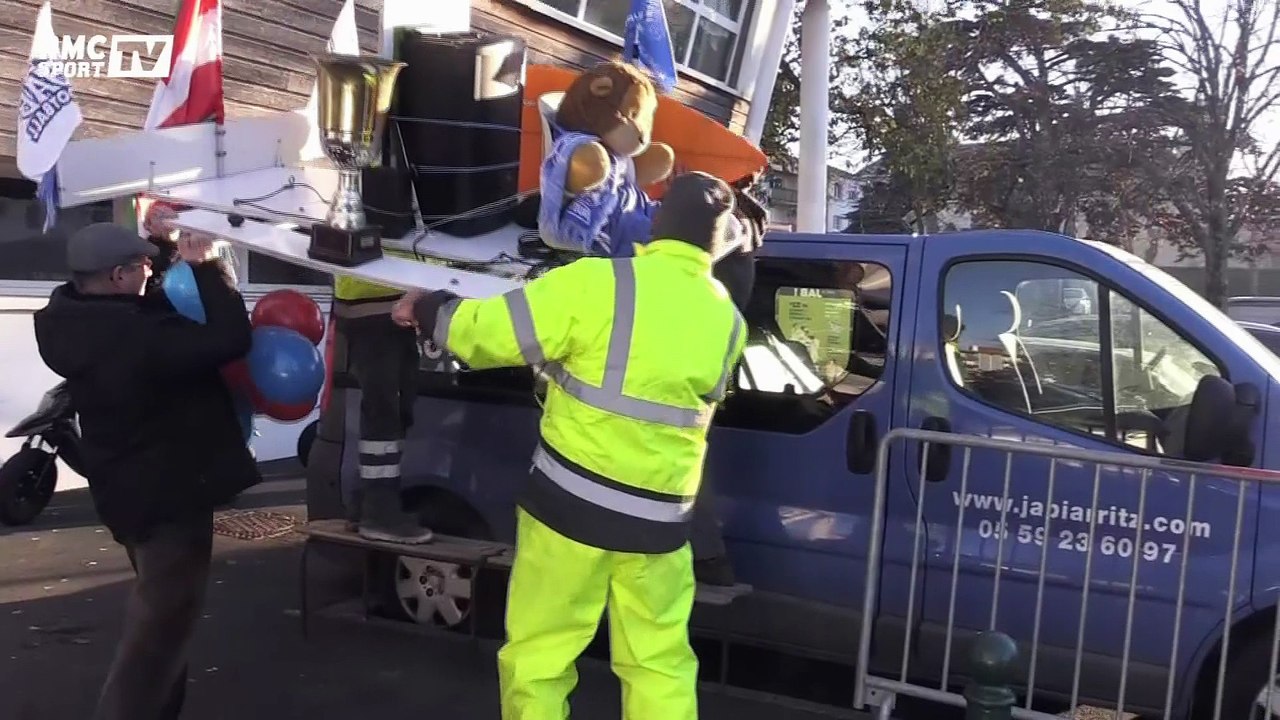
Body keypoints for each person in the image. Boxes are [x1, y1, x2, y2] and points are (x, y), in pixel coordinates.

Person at [392, 171, 746, 720]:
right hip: (661, 524)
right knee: (660, 666)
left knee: (541, 655)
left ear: (655, 224)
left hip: (570, 512)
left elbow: (490, 333)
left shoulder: (598, 282)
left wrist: (430, 308)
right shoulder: (727, 318)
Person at [32, 221, 262, 720]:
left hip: (127, 493)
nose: (150, 270)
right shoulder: (139, 338)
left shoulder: (73, 317)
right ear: (117, 276)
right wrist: (204, 268)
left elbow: (144, 307)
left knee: (164, 629)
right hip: (169, 500)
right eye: (140, 266)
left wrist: (158, 242)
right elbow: (229, 339)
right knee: (155, 641)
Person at [332, 257, 435, 545]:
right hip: (374, 299)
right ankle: (379, 511)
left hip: (395, 295)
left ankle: (367, 502)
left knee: (397, 409)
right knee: (384, 411)